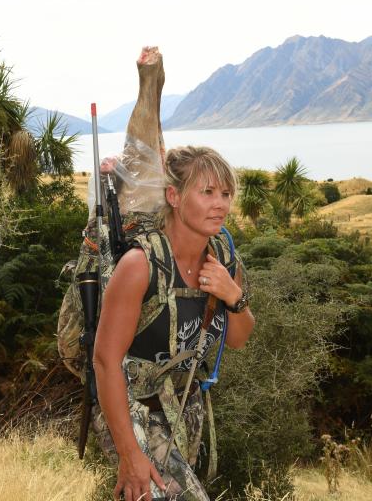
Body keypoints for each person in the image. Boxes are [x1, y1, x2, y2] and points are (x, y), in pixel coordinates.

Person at [92, 145, 255, 501]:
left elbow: (238, 338)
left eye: (226, 194)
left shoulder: (224, 259)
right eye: (207, 192)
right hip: (131, 411)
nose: (221, 204)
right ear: (174, 197)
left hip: (183, 414)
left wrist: (233, 295)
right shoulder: (140, 265)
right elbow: (104, 361)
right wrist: (130, 453)